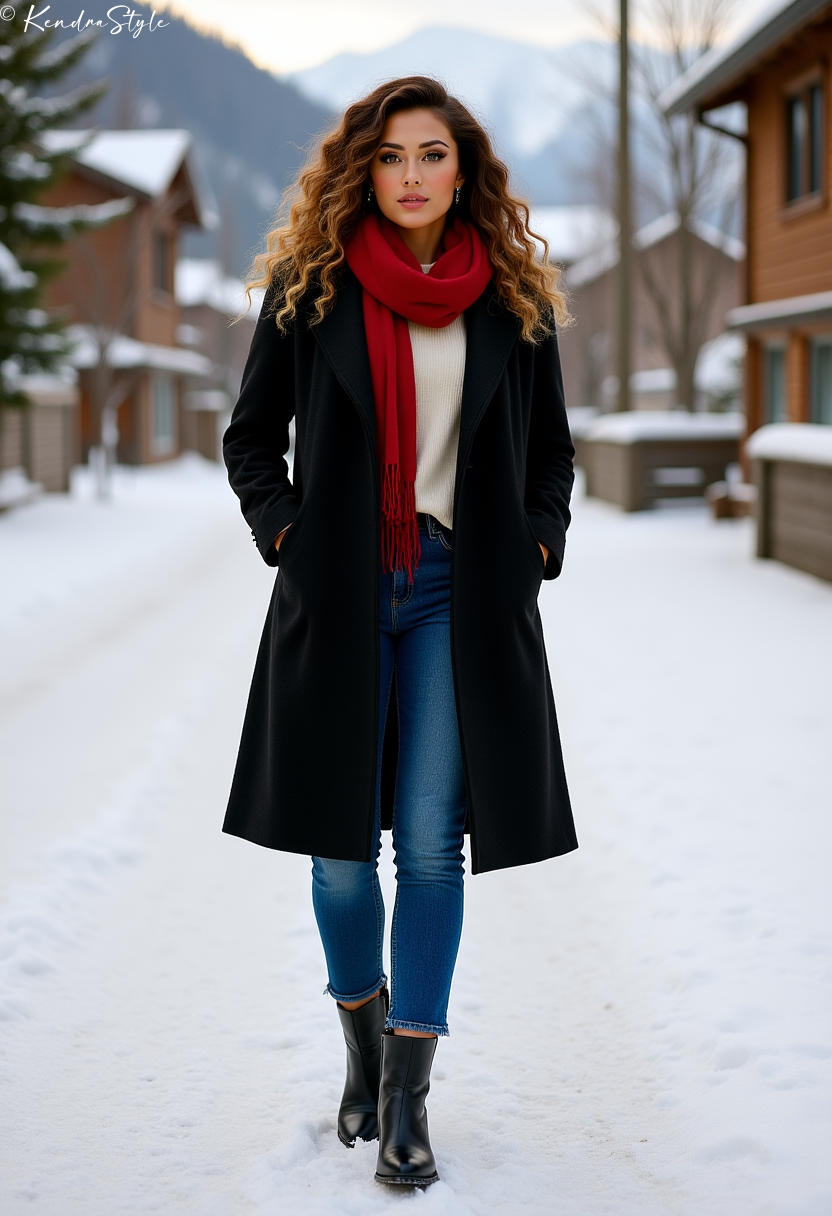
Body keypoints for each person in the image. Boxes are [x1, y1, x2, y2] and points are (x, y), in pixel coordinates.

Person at [222, 75, 578, 1189]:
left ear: (461, 169)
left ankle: (410, 1098)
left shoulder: (509, 293)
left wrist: (533, 544)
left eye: (431, 155)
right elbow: (249, 441)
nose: (411, 176)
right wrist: (286, 535)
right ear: (361, 170)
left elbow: (549, 456)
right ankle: (364, 1051)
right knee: (339, 852)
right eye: (389, 157)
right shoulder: (311, 284)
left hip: (451, 593)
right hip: (336, 586)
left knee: (430, 842)